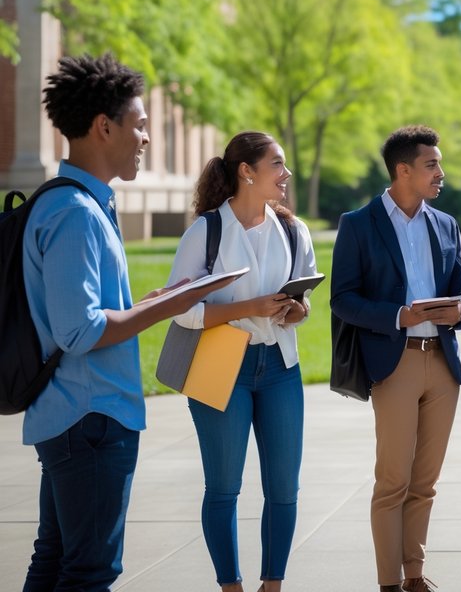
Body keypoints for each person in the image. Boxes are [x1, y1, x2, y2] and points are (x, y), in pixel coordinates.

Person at [22, 53, 240, 591]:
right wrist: (172, 304)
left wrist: (150, 299)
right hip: (91, 417)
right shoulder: (75, 213)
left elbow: (81, 311)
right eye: (139, 125)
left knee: (55, 561)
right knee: (90, 572)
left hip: (74, 413)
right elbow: (83, 332)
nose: (145, 138)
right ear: (104, 127)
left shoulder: (71, 203)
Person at [166, 132, 318, 592]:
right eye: (277, 164)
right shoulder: (205, 232)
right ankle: (230, 586)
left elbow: (303, 300)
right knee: (224, 488)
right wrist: (246, 307)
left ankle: (272, 586)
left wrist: (297, 310)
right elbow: (180, 309)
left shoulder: (294, 230)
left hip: (279, 367)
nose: (286, 174)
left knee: (284, 490)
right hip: (221, 367)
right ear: (246, 172)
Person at [330, 125, 461, 592]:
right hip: (396, 363)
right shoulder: (359, 223)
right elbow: (342, 299)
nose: (441, 173)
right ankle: (388, 582)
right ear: (403, 170)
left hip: (442, 366)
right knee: (393, 480)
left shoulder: (445, 224)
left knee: (425, 482)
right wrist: (398, 316)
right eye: (432, 165)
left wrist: (458, 309)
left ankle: (415, 575)